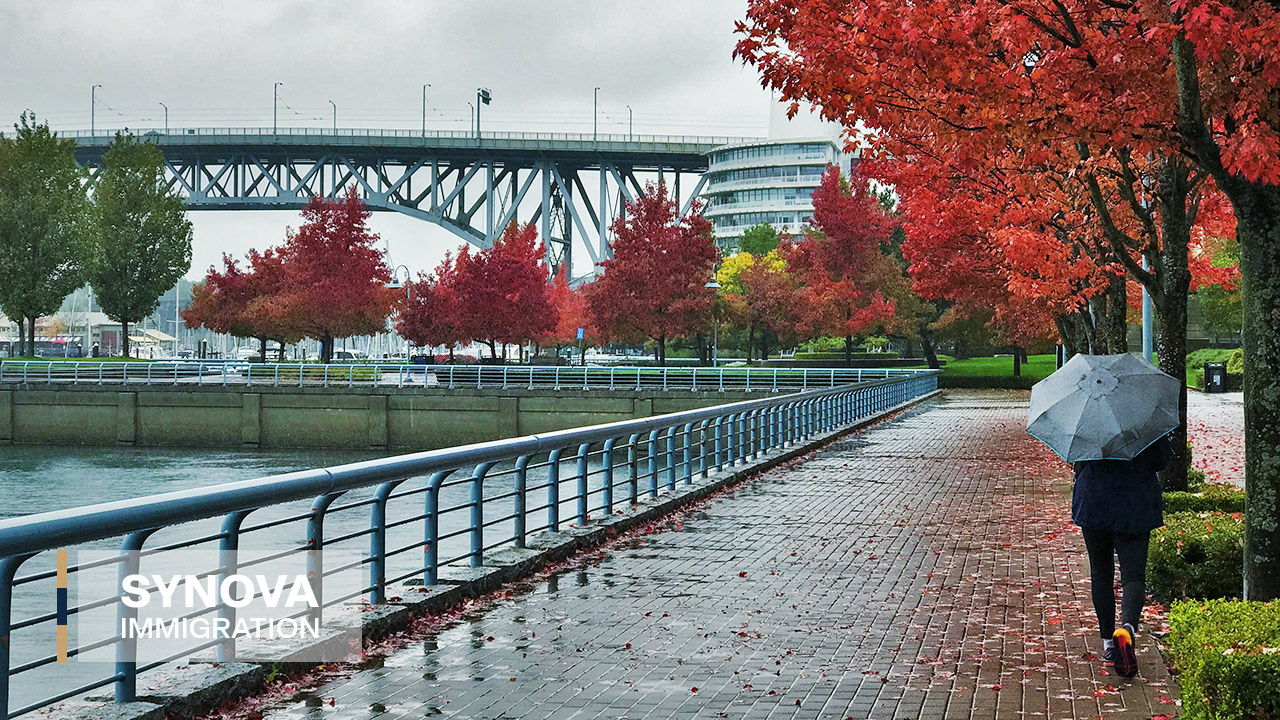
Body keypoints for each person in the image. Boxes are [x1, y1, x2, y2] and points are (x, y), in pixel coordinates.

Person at [1072, 432, 1173, 678]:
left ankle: (1108, 641)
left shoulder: (1090, 420)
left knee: (1101, 571)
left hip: (1094, 499)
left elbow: (1078, 461)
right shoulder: (1145, 418)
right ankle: (1127, 629)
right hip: (1135, 501)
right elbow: (1161, 460)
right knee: (1133, 575)